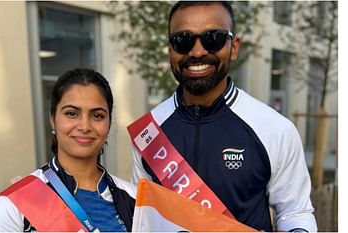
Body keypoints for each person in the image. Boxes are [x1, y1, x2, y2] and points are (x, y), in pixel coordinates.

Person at [130, 1, 317, 232]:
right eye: (183, 41)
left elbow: (295, 212)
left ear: (234, 47)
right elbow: (142, 216)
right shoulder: (149, 131)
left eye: (213, 39)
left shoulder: (275, 129)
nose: (197, 52)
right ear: (170, 50)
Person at [0, 68, 136, 232]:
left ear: (109, 124)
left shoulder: (135, 199)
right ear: (53, 120)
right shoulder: (13, 206)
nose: (85, 126)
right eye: (71, 113)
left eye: (97, 116)